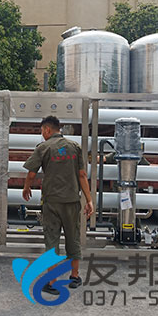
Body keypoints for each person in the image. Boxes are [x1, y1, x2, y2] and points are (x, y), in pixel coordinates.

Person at [22, 115, 94, 295]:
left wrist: (26, 188)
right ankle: (74, 277)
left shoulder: (43, 147)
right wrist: (89, 200)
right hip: (72, 201)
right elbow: (82, 175)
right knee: (73, 238)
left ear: (47, 129)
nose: (42, 134)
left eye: (42, 131)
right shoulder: (74, 147)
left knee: (52, 240)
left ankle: (52, 282)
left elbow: (31, 174)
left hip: (51, 203)